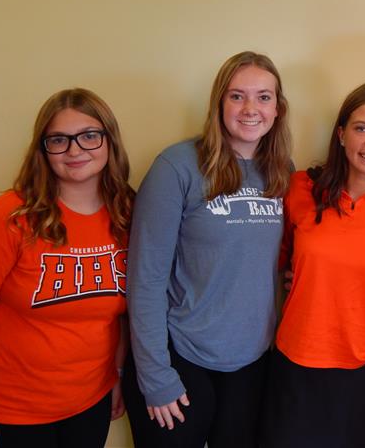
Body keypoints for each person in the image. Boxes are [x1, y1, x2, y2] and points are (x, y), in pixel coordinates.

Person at [123, 51, 292, 448]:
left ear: (277, 108)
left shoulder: (282, 172)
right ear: (219, 103)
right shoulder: (177, 166)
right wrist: (155, 375)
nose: (250, 108)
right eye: (237, 96)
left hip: (251, 363)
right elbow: (145, 279)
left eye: (263, 97)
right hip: (180, 356)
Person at [262, 83, 365, 448]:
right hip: (297, 359)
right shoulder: (300, 188)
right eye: (361, 128)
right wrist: (301, 274)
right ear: (341, 134)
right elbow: (274, 258)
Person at [0, 88, 134, 448]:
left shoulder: (127, 214)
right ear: (43, 150)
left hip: (90, 403)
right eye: (59, 140)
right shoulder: (4, 219)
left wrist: (117, 375)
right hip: (12, 412)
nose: (75, 150)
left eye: (89, 136)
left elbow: (120, 315)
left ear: (109, 140)